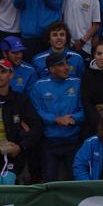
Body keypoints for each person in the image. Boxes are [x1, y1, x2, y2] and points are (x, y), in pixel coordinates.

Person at [30, 51, 84, 182]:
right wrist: (55, 119)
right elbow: (36, 111)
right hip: (49, 142)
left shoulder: (78, 83)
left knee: (75, 181)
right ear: (51, 69)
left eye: (67, 64)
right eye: (61, 65)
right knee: (50, 181)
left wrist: (73, 118)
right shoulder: (39, 85)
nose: (66, 67)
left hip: (73, 141)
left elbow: (85, 109)